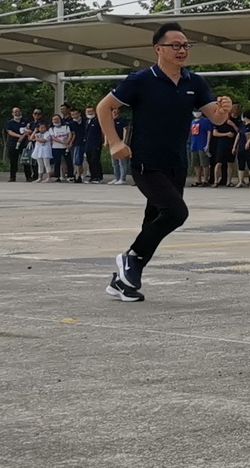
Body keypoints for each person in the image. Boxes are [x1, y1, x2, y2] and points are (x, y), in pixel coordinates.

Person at [96, 23, 224, 302]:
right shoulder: (141, 80)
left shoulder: (194, 82)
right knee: (176, 213)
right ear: (158, 49)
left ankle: (123, 282)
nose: (182, 50)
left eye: (185, 45)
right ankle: (130, 260)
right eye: (175, 45)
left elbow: (215, 117)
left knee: (153, 221)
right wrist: (115, 142)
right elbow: (104, 107)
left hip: (177, 163)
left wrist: (222, 112)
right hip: (146, 162)